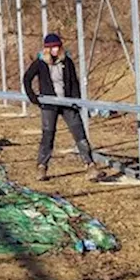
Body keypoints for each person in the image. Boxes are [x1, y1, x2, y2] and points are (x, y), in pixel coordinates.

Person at [23, 33, 96, 181]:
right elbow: (27, 78)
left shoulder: (66, 61)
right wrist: (33, 97)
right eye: (52, 47)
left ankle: (90, 165)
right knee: (48, 135)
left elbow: (74, 82)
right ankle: (42, 167)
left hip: (67, 103)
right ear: (47, 49)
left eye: (57, 46)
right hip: (49, 105)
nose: (55, 50)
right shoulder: (40, 63)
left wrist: (76, 101)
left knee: (79, 133)